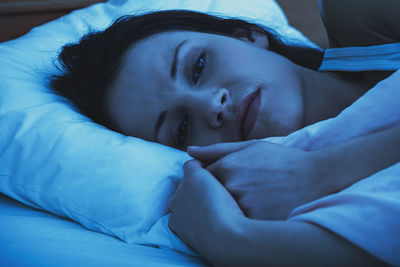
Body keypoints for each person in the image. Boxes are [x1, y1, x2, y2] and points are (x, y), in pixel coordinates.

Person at [49, 0, 400, 265]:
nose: (211, 106)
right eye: (183, 127)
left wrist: (325, 170)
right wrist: (231, 238)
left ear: (248, 35)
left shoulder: (361, 15)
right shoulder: (286, 211)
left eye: (198, 66)